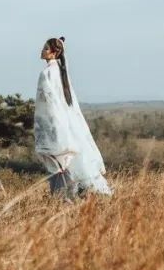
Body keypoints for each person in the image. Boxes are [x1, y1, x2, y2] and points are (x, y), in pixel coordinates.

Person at [34, 37, 112, 200]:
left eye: (46, 48)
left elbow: (49, 104)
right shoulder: (62, 73)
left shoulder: (47, 73)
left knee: (59, 164)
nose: (42, 51)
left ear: (55, 52)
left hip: (55, 125)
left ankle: (64, 199)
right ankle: (76, 196)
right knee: (72, 163)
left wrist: (48, 128)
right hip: (67, 124)